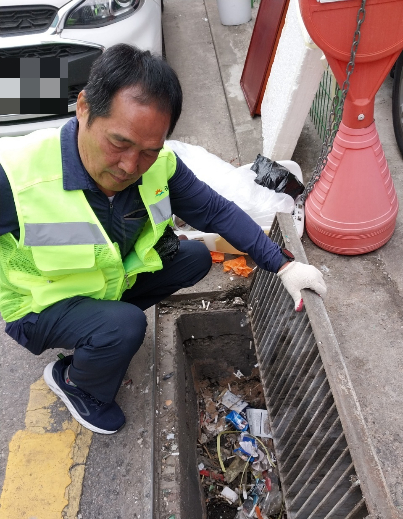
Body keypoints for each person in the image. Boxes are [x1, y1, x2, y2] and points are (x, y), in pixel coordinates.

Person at [0, 44, 326, 435]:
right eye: (119, 143)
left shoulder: (162, 166)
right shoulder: (16, 178)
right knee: (124, 325)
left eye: (148, 152)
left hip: (102, 283)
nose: (129, 167)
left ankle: (100, 330)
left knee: (195, 257)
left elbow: (216, 211)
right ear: (84, 107)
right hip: (37, 306)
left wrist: (283, 264)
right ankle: (75, 382)